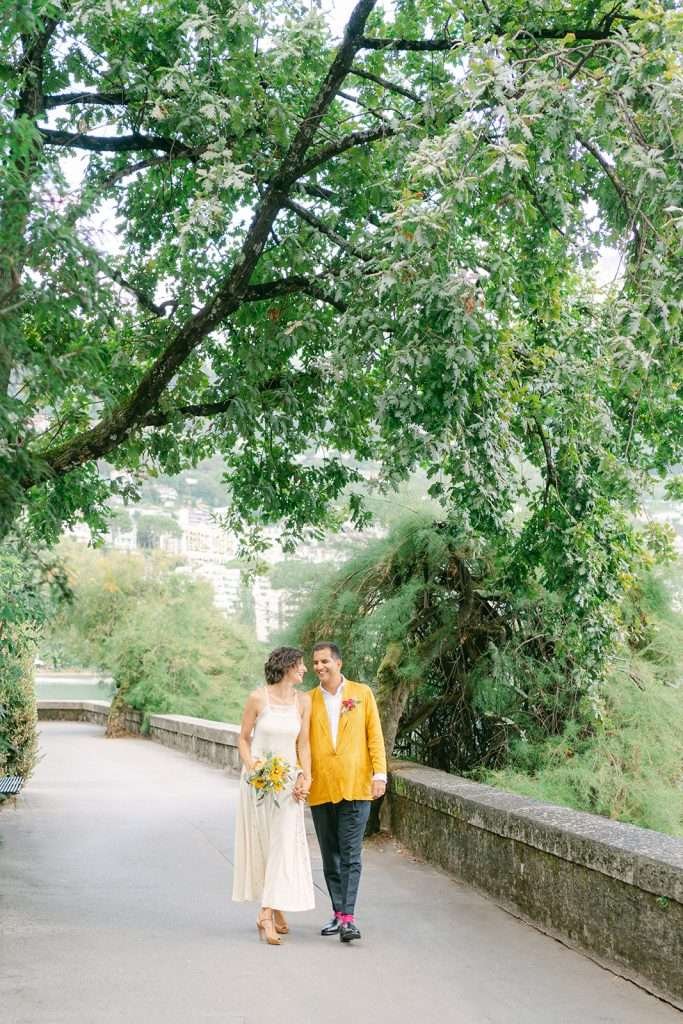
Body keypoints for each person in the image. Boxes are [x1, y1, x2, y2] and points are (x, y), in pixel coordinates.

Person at [232, 646, 315, 945]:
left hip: (288, 783)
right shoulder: (258, 698)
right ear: (286, 667)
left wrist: (306, 775)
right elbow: (243, 739)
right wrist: (252, 766)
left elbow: (303, 745)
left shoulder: (303, 702)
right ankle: (276, 906)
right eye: (300, 665)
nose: (305, 670)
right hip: (257, 782)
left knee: (283, 844)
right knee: (266, 845)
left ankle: (266, 913)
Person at [308, 641, 387, 943]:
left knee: (351, 854)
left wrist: (380, 774)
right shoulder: (308, 700)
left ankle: (349, 919)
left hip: (356, 785)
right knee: (330, 855)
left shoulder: (361, 694)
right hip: (321, 787)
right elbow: (301, 742)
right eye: (315, 662)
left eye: (325, 661)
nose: (319, 667)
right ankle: (338, 912)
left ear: (338, 663)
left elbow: (375, 736)